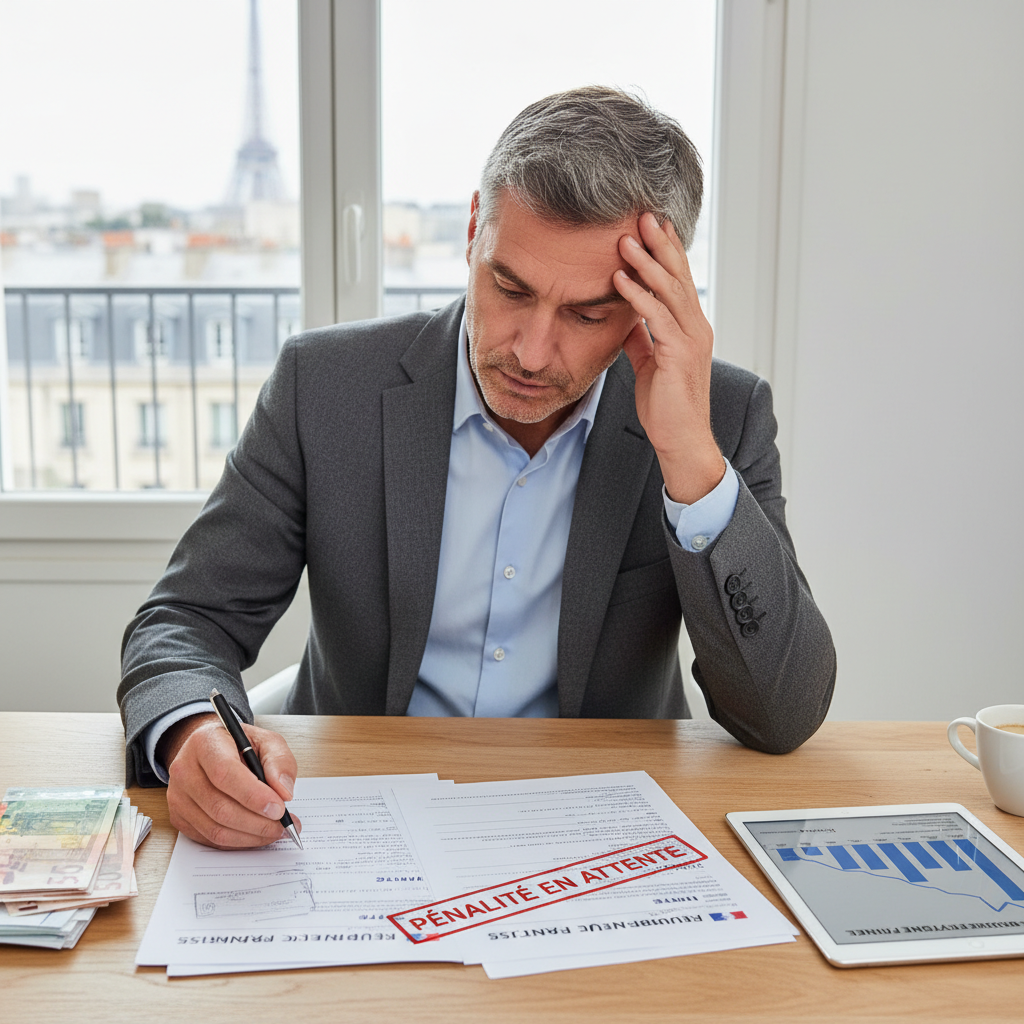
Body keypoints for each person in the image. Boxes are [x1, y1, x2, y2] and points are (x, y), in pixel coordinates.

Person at [119, 87, 835, 850]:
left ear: (651, 302)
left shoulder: (720, 415)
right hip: (357, 814)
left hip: (595, 829)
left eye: (587, 314)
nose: (529, 351)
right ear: (472, 233)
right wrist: (191, 732)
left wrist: (689, 458)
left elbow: (782, 712)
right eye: (509, 287)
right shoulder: (324, 386)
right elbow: (187, 619)